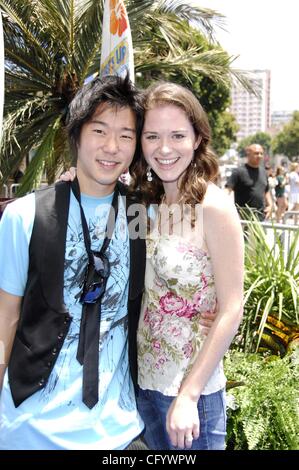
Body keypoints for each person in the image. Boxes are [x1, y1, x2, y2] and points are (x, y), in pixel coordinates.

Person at [0, 75, 149, 450]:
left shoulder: (140, 217)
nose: (112, 147)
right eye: (99, 130)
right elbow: (6, 319)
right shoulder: (25, 215)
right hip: (28, 430)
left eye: (126, 135)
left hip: (117, 433)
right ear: (77, 134)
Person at [129, 82, 244, 450]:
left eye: (178, 135)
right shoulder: (145, 204)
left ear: (197, 138)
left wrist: (189, 396)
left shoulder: (214, 206)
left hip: (192, 399)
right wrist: (72, 181)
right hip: (143, 385)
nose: (164, 149)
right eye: (152, 136)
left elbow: (232, 307)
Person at [226, 144, 273, 220]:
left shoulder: (264, 172)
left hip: (261, 218)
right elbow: (227, 191)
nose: (259, 156)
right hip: (243, 219)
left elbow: (266, 191)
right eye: (256, 153)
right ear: (248, 154)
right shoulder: (238, 172)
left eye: (261, 153)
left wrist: (270, 205)